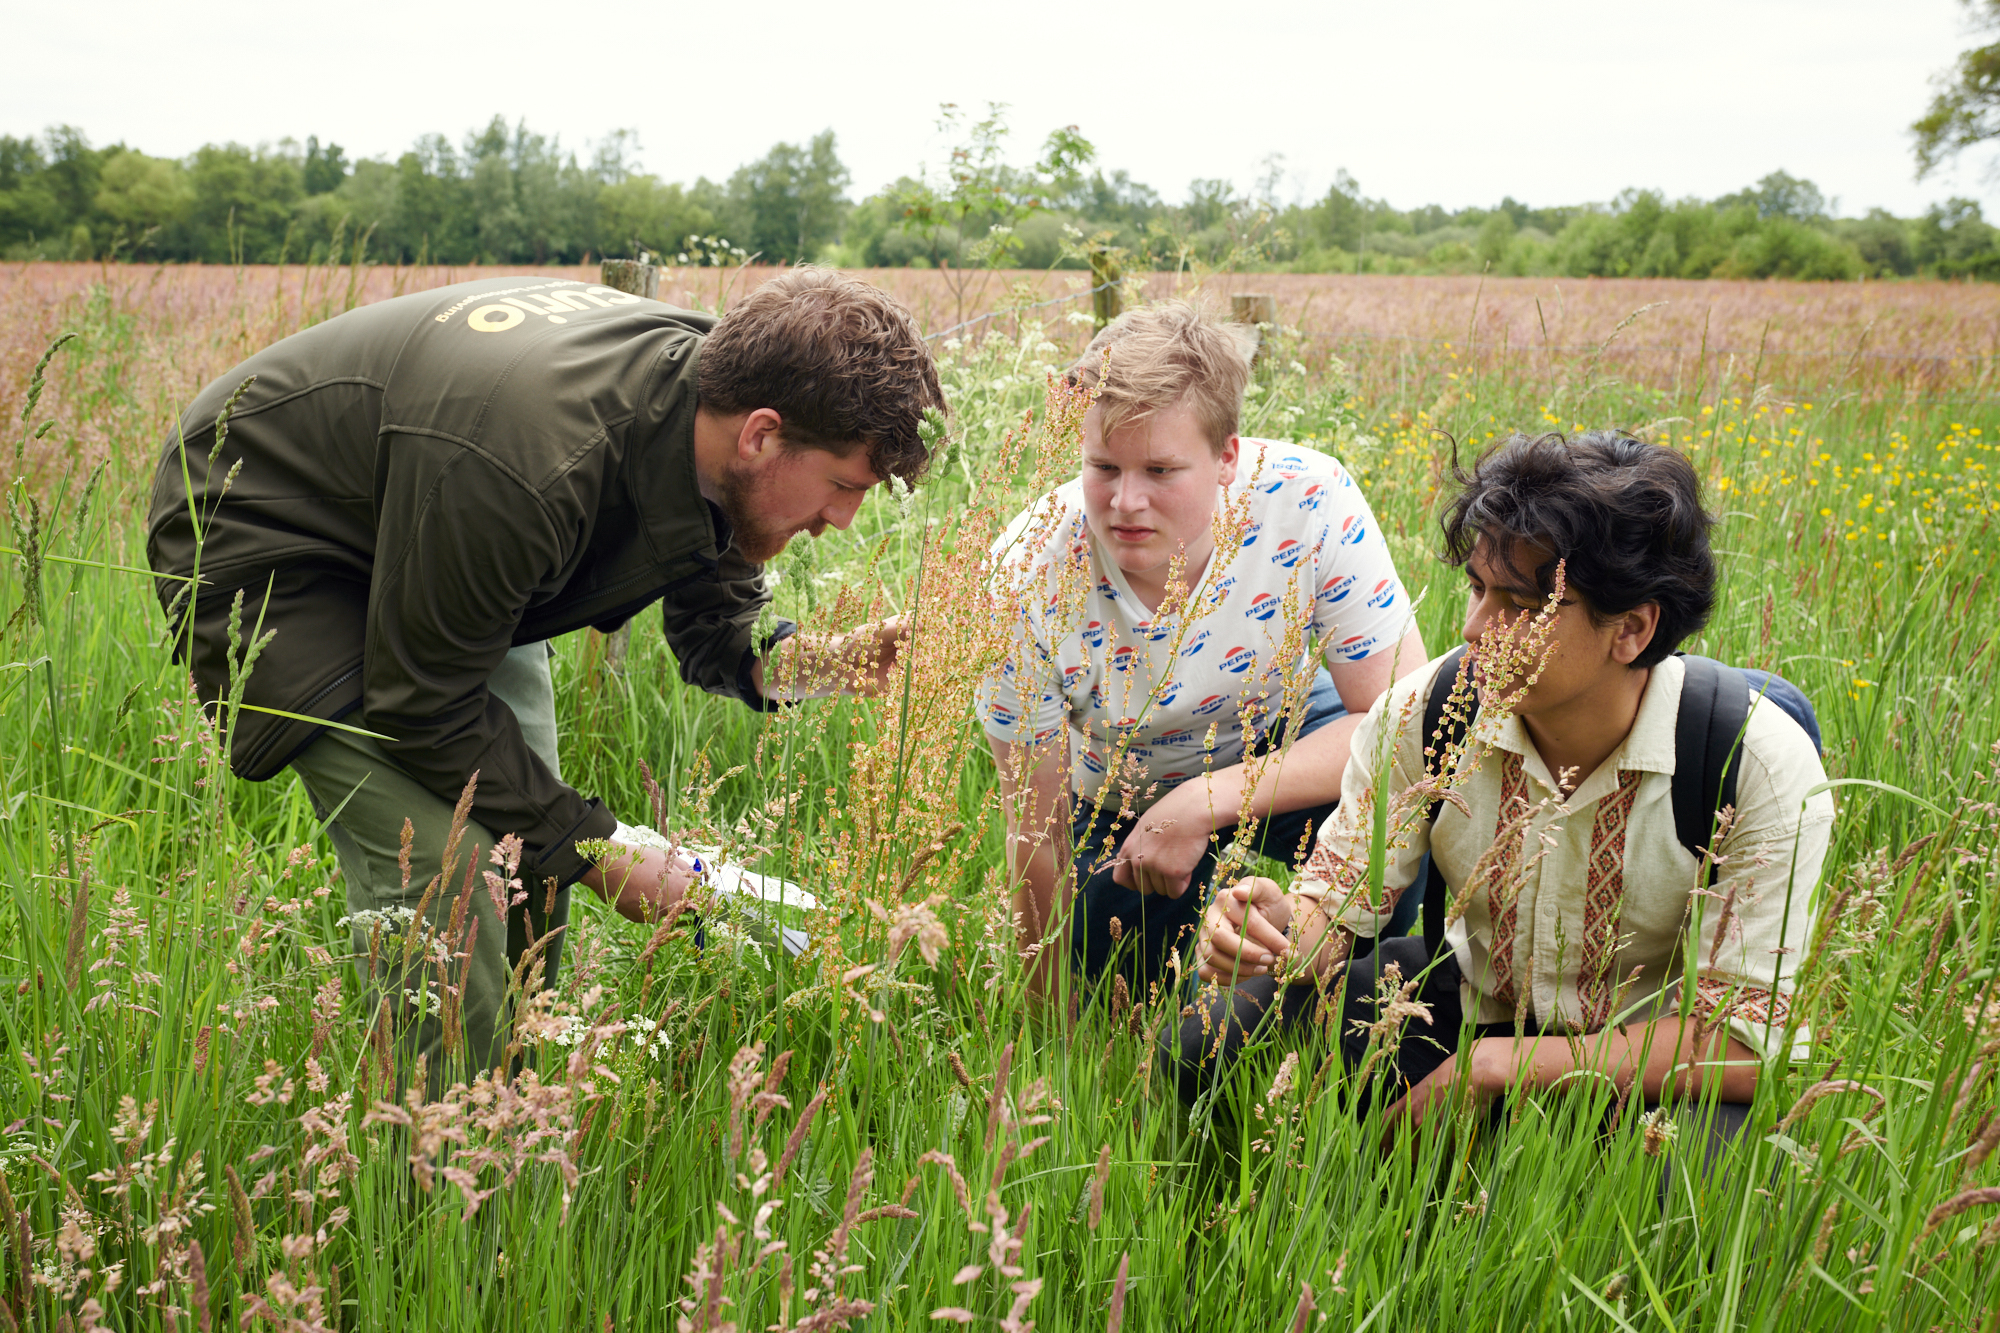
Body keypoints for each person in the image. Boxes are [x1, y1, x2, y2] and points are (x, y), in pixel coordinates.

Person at [147, 266, 944, 1073]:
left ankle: (516, 1105)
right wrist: (603, 849)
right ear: (762, 435)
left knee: (528, 853)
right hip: (270, 521)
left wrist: (810, 663)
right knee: (450, 864)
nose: (842, 519)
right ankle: (441, 1168)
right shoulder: (532, 460)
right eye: (844, 484)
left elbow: (716, 613)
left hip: (440, 518)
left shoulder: (717, 403)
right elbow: (423, 705)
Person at [1179, 430, 1833, 1155]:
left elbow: (1737, 1045)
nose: (1472, 628)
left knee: (1686, 1192)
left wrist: (1499, 1070)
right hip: (1462, 1005)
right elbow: (1335, 911)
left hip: (1650, 1061)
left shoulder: (1753, 761)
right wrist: (1274, 926)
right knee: (1204, 1044)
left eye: (1519, 605)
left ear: (1633, 629)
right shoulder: (1427, 714)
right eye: (1477, 587)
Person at [977, 301, 1425, 1002]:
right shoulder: (1025, 571)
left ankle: (1346, 993)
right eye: (1103, 465)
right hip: (1122, 791)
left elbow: (1405, 723)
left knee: (1392, 829)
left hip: (1290, 743)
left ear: (1227, 458)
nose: (1125, 500)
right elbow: (1036, 827)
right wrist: (1047, 1016)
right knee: (1117, 984)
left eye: (1160, 469)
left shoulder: (1311, 499)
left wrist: (1202, 800)